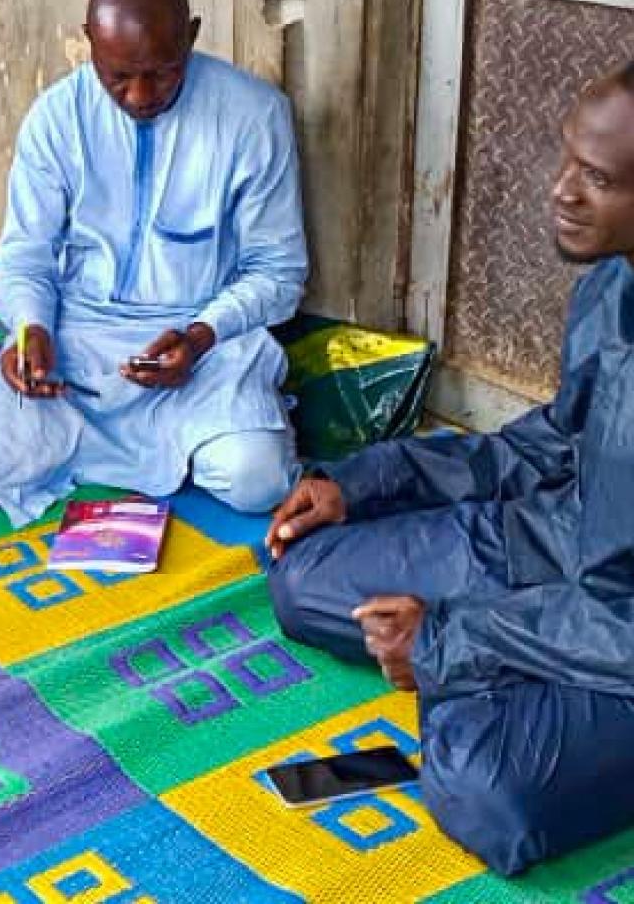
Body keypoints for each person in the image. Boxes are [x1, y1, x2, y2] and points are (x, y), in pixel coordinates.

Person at [266, 64, 634, 875]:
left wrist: (457, 641)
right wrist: (364, 482)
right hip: (554, 547)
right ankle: (503, 683)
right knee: (306, 579)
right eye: (569, 160)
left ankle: (499, 693)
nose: (563, 191)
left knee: (482, 790)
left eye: (598, 179)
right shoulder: (613, 285)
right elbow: (544, 448)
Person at [0, 0, 308, 527]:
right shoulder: (56, 118)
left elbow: (278, 270)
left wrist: (198, 336)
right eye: (118, 76)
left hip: (203, 346)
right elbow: (25, 256)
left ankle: (193, 435)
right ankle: (160, 451)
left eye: (163, 72)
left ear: (191, 36)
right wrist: (31, 328)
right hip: (80, 346)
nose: (140, 95)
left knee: (256, 479)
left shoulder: (254, 116)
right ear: (88, 41)